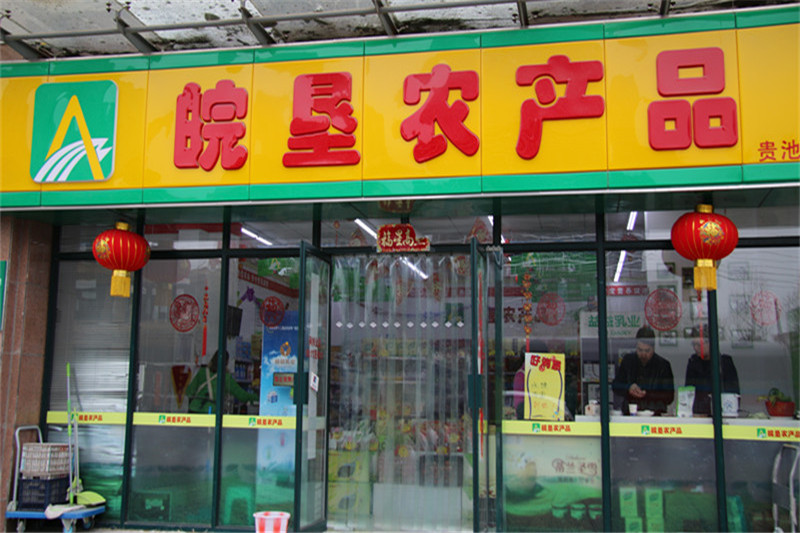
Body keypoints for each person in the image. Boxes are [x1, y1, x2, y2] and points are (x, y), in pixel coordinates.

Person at [612, 327, 675, 415]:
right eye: (640, 350)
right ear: (636, 347)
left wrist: (648, 394)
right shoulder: (628, 361)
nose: (643, 354)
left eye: (647, 351)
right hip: (630, 413)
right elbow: (616, 385)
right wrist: (628, 388)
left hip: (655, 414)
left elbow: (669, 396)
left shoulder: (663, 365)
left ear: (653, 348)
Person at [684, 326, 740, 415]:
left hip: (721, 413)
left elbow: (733, 393)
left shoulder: (724, 363)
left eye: (699, 344)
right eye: (693, 344)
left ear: (710, 343)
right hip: (698, 413)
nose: (696, 348)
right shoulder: (693, 362)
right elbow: (688, 391)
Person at [186, 350, 258, 414]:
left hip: (193, 410)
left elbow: (189, 392)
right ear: (226, 362)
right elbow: (242, 396)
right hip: (210, 412)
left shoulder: (202, 372)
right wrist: (258, 397)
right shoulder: (226, 377)